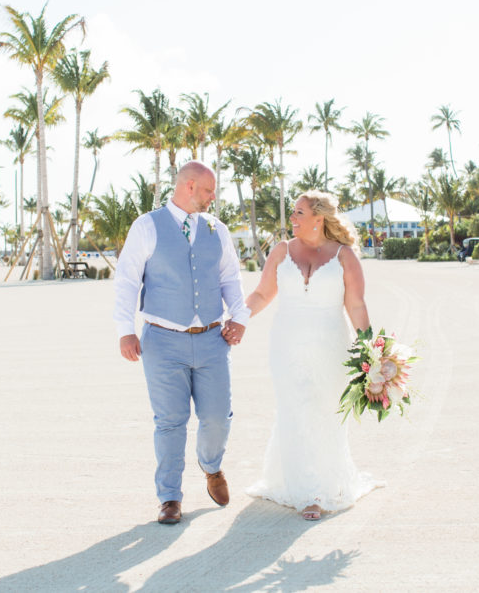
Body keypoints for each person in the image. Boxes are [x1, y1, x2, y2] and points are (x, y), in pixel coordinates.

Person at [114, 161, 249, 525]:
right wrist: (125, 330)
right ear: (189, 186)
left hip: (211, 339)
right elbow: (127, 280)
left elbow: (230, 278)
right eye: (208, 190)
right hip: (162, 340)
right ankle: (169, 497)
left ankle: (212, 466)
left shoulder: (216, 230)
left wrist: (240, 317)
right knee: (170, 421)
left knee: (218, 416)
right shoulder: (147, 226)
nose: (212, 197)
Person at [242, 190, 384, 520]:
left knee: (323, 410)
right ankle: (308, 492)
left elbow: (357, 305)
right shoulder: (281, 251)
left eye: (299, 212)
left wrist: (371, 351)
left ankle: (321, 485)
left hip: (330, 345)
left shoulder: (344, 256)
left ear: (318, 218)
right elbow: (262, 294)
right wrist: (236, 319)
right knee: (294, 407)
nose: (292, 218)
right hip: (286, 343)